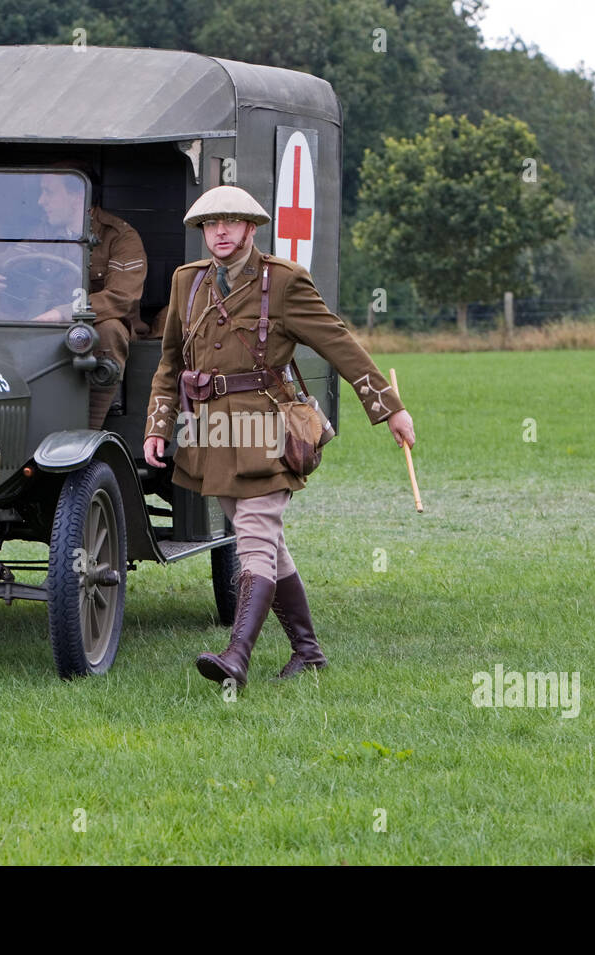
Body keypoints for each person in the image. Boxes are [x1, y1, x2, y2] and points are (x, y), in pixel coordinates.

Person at [142, 185, 416, 687]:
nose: (219, 232)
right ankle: (308, 653)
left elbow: (338, 342)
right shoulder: (188, 282)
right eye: (210, 225)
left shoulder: (284, 281)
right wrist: (159, 425)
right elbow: (170, 364)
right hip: (212, 433)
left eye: (230, 222)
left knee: (254, 538)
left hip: (270, 429)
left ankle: (237, 657)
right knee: (265, 543)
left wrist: (388, 408)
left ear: (250, 228)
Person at [0, 165, 147, 429]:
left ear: (78, 196)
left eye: (48, 192)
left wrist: (64, 312)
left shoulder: (119, 237)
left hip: (89, 327)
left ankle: (87, 429)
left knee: (110, 330)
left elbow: (122, 297)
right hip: (44, 323)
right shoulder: (45, 231)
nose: (41, 201)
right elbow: (11, 257)